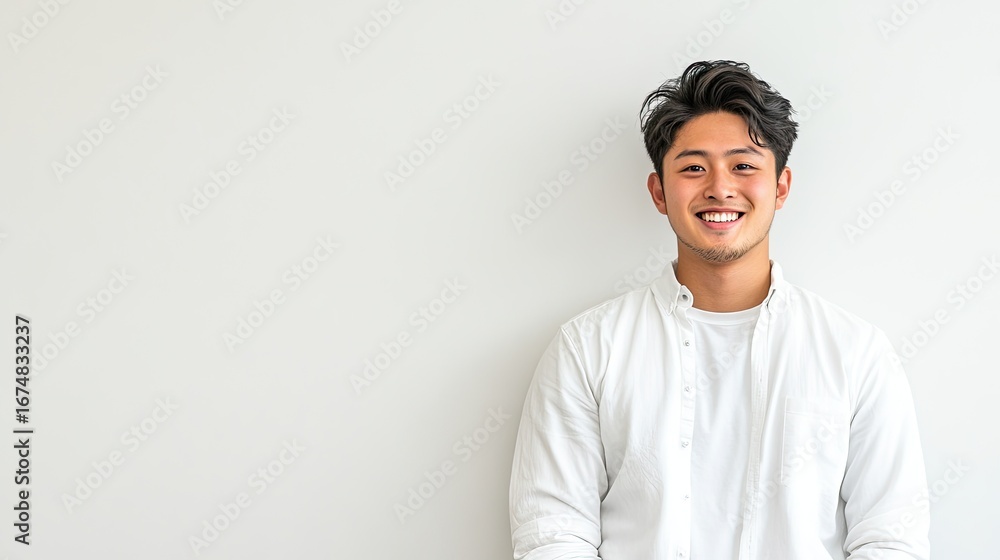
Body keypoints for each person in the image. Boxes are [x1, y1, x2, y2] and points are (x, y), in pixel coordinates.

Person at [508, 60, 930, 559]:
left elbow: (890, 536)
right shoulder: (588, 347)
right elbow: (553, 533)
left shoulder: (855, 351)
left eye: (743, 165)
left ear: (781, 187)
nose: (720, 188)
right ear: (659, 192)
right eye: (693, 168)